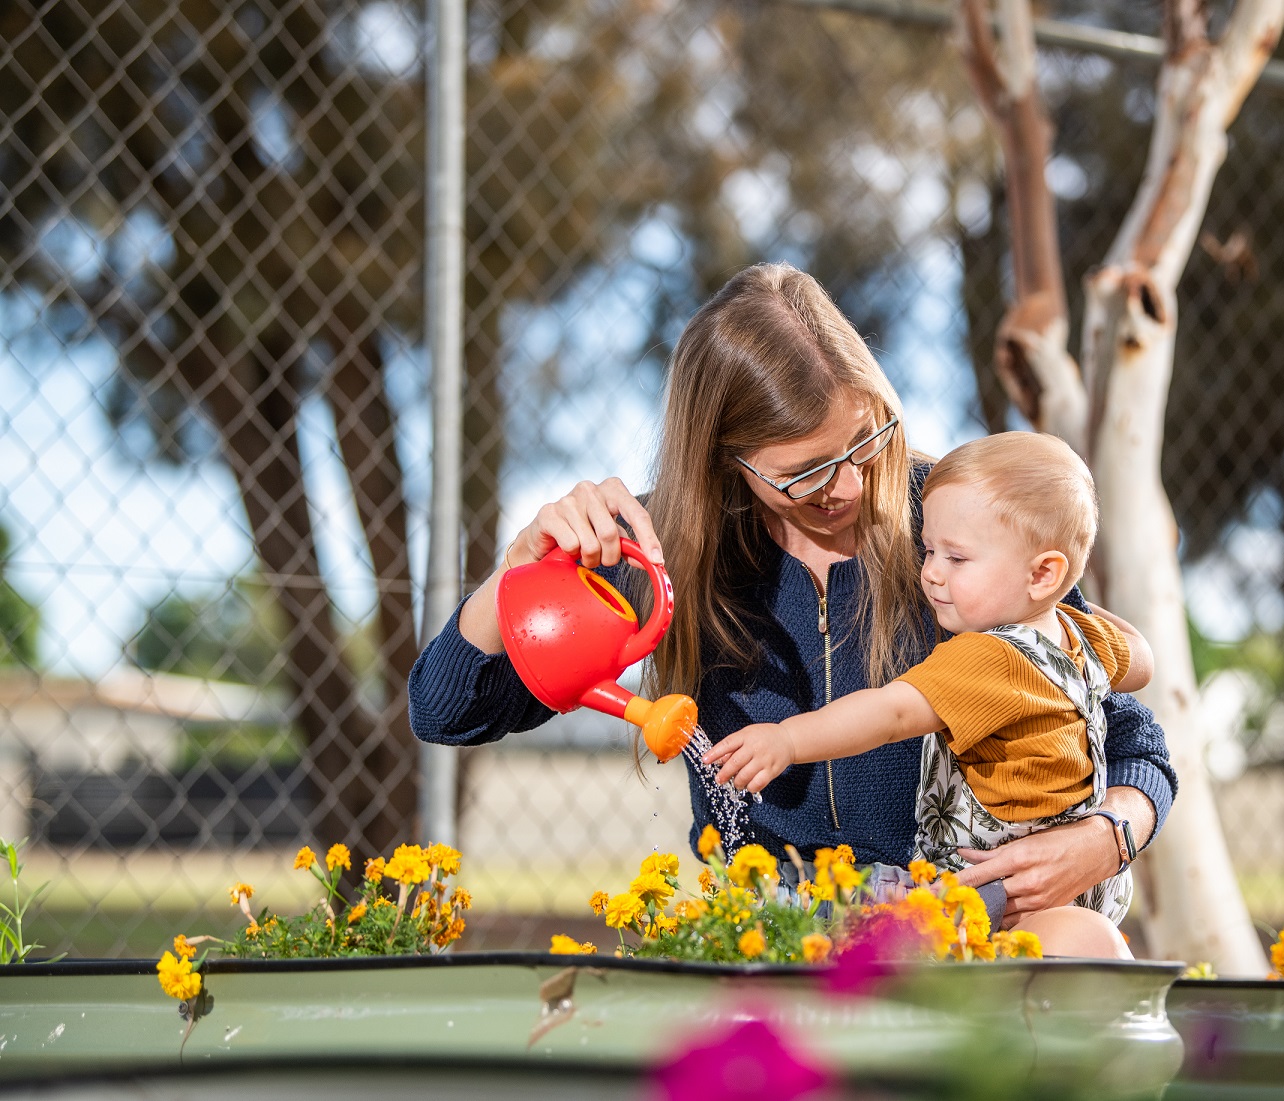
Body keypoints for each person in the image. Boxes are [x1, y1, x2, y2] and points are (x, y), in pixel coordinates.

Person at [407, 262, 1177, 934]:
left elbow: (1119, 728)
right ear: (724, 457)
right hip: (769, 928)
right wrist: (515, 581)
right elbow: (448, 710)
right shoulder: (658, 553)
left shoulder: (957, 526)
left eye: (866, 440)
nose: (845, 484)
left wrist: (1110, 832)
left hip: (947, 924)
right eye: (804, 471)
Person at [704, 433, 1146, 958]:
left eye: (957, 559)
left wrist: (787, 740)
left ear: (1044, 573)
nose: (930, 572)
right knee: (1085, 954)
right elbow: (1141, 661)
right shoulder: (1077, 635)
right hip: (1072, 886)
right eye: (930, 550)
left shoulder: (986, 658)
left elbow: (889, 712)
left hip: (997, 890)